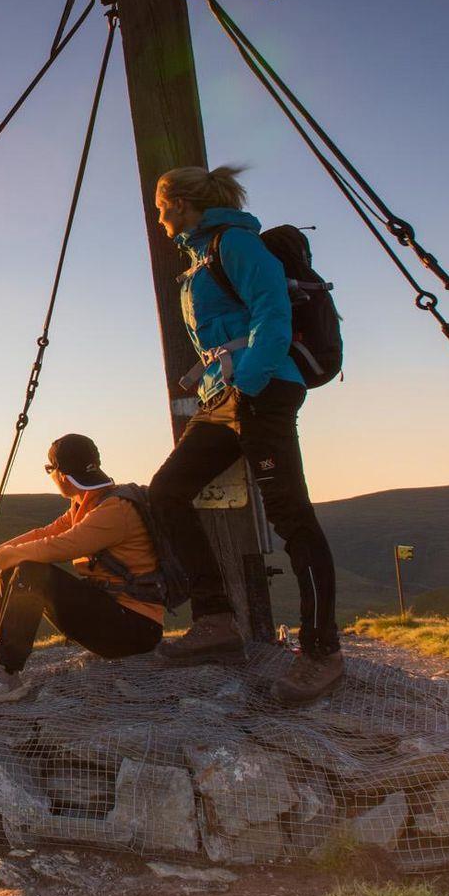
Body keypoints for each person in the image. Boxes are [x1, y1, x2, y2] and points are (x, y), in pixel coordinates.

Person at [146, 164, 344, 705]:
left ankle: (322, 651)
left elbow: (272, 312)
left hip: (261, 391)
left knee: (291, 518)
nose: (159, 218)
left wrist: (250, 383)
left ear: (180, 203)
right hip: (224, 399)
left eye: (161, 207)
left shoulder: (234, 243)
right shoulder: (200, 254)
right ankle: (216, 621)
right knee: (167, 491)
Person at [0, 432, 166, 706]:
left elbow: (60, 546)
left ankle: (5, 674)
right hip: (114, 615)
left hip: (135, 630)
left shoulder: (114, 510)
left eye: (49, 469)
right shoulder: (88, 502)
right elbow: (46, 532)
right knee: (16, 565)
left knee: (31, 571)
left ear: (61, 474)